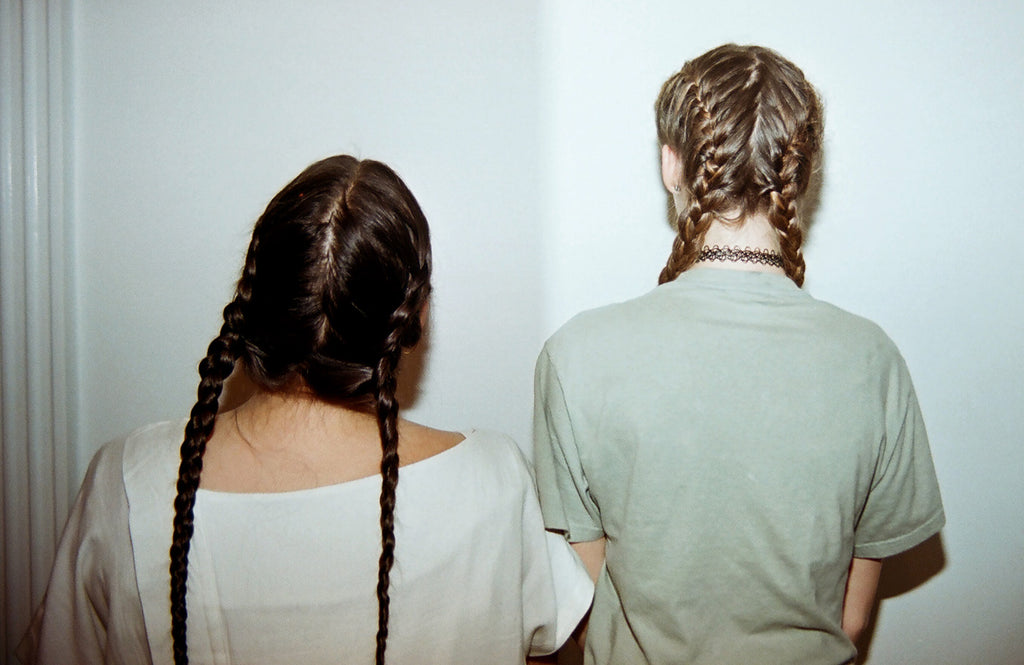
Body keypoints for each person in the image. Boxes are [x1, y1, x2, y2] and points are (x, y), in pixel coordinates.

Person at [20, 155, 593, 665]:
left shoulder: (127, 480)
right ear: (414, 316)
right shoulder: (493, 479)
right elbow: (553, 641)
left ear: (254, 306)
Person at [532, 44, 944, 665]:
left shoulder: (574, 356)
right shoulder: (871, 360)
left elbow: (595, 604)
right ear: (802, 174)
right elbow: (850, 620)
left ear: (672, 164)